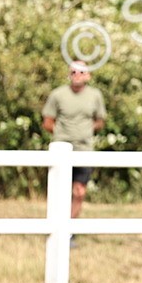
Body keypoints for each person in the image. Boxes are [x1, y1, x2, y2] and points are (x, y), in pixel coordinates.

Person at [42, 60, 107, 236]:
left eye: (81, 72)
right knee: (60, 193)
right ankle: (56, 230)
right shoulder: (58, 95)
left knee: (79, 192)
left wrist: (83, 132)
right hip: (61, 150)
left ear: (88, 75)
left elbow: (100, 121)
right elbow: (48, 122)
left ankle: (68, 232)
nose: (77, 76)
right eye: (73, 72)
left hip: (84, 150)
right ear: (69, 74)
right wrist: (63, 135)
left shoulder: (95, 96)